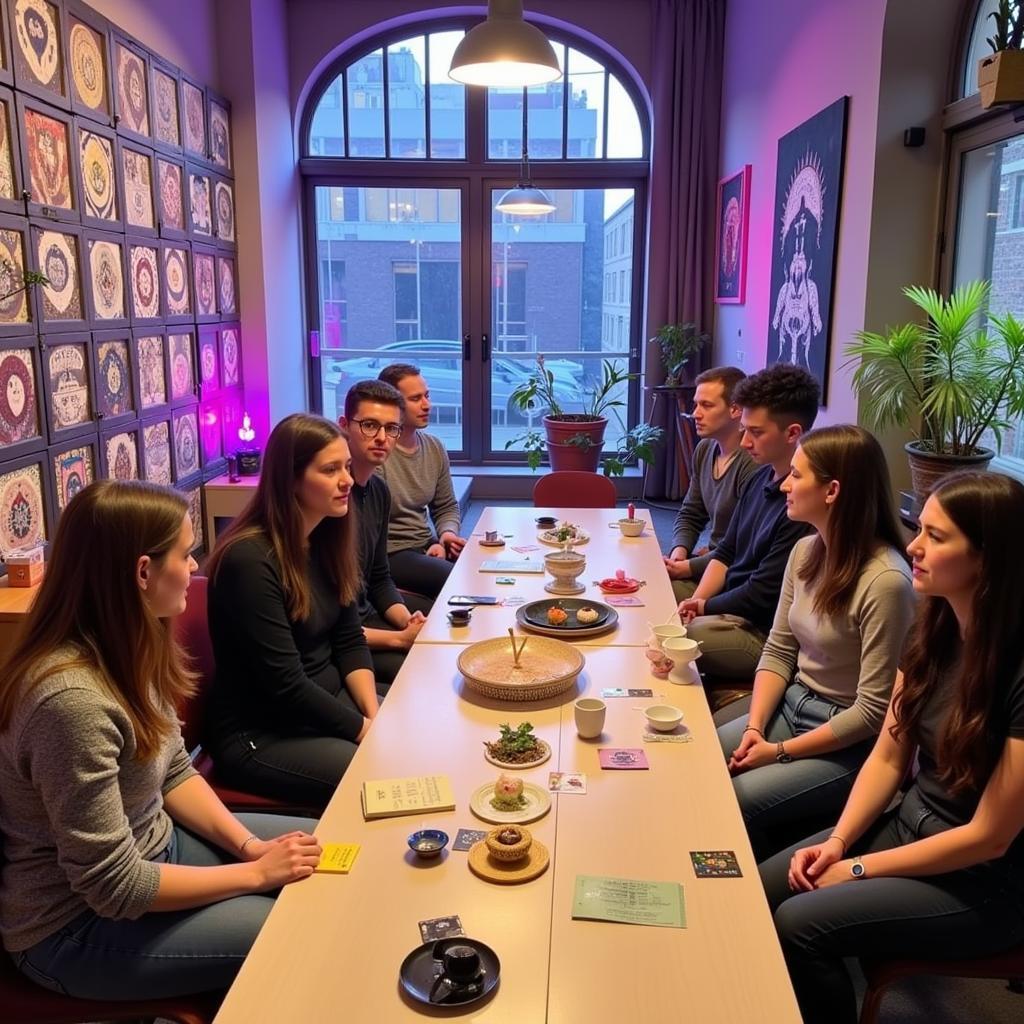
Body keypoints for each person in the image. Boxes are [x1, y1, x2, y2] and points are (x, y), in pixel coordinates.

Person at [0, 481, 320, 1000]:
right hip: (74, 927)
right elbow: (114, 887)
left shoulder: (128, 644)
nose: (195, 568)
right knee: (298, 928)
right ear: (143, 572)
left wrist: (249, 847)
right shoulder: (70, 701)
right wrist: (256, 874)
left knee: (325, 861)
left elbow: (173, 769)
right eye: (185, 553)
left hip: (156, 848)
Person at [760, 471, 1024, 1024]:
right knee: (762, 887)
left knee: (799, 925)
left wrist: (859, 870)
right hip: (912, 824)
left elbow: (989, 837)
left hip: (984, 882)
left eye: (937, 536)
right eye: (918, 528)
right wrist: (838, 843)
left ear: (989, 558)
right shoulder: (933, 632)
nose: (913, 546)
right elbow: (888, 756)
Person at [716, 425, 915, 858]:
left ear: (833, 491)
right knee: (697, 759)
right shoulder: (806, 551)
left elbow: (871, 714)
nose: (784, 483)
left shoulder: (886, 582)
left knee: (735, 799)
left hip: (847, 740)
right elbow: (779, 649)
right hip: (793, 704)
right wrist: (755, 727)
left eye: (797, 475)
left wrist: (778, 751)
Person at [204, 414, 379, 809]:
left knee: (421, 729)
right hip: (262, 734)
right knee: (387, 772)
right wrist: (364, 730)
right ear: (291, 479)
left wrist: (373, 716)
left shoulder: (326, 537)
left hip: (321, 707)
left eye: (347, 467)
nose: (347, 480)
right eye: (331, 469)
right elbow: (286, 685)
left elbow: (349, 638)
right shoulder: (249, 559)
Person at [677, 363, 820, 680]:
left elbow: (760, 595)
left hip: (761, 632)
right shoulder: (761, 479)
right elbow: (727, 552)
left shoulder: (799, 505)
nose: (744, 442)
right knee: (659, 605)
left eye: (755, 432)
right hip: (731, 609)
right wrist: (698, 600)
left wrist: (701, 609)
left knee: (671, 640)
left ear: (793, 433)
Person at [339, 379, 432, 688]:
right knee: (423, 672)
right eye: (369, 426)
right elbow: (331, 624)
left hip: (365, 621)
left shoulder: (378, 491)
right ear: (344, 426)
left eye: (391, 428)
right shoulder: (334, 499)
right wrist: (400, 639)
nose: (381, 438)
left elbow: (379, 577)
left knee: (440, 643)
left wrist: (408, 621)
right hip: (341, 638)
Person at [664, 365, 757, 600]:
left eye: (706, 405)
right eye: (696, 404)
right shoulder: (705, 449)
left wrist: (687, 567)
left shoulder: (752, 464)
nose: (696, 413)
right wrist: (679, 552)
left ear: (736, 410)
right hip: (707, 563)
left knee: (652, 594)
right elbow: (691, 513)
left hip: (732, 577)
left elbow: (742, 547)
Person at [377, 362, 466, 599]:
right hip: (390, 554)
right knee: (460, 581)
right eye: (415, 399)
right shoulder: (378, 452)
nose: (426, 405)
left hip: (425, 543)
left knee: (484, 570)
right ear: (392, 405)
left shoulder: (434, 447)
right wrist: (427, 549)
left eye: (427, 396)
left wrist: (446, 536)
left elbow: (445, 506)